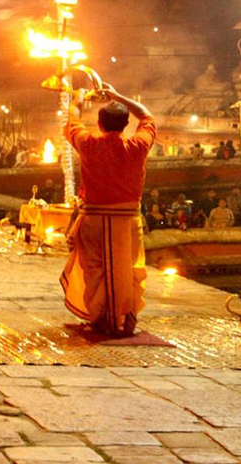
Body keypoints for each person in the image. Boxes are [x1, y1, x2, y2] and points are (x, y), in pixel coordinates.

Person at [60, 83, 156, 338]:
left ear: (100, 124)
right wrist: (118, 95)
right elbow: (147, 116)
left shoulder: (88, 143)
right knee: (129, 269)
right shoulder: (138, 146)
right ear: (126, 124)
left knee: (94, 269)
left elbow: (72, 119)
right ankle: (125, 317)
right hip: (127, 221)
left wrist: (79, 99)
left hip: (94, 219)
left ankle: (99, 318)